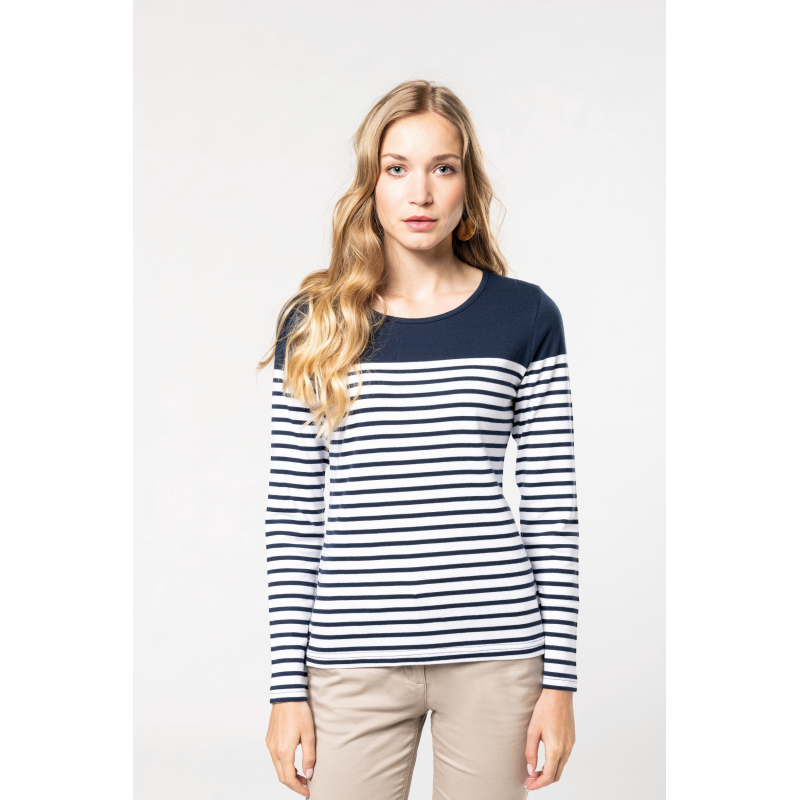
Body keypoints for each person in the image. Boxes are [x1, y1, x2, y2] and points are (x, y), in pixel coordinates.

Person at [258, 79, 579, 799]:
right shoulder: (314, 323)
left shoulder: (525, 318)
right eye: (397, 168)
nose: (421, 192)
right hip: (352, 658)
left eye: (443, 167)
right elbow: (293, 516)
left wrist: (559, 685)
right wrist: (286, 691)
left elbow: (552, 509)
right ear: (371, 184)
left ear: (469, 184)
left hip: (496, 654)